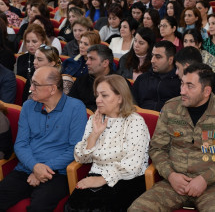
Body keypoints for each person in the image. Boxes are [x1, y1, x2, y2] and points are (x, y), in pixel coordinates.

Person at [128, 63, 215, 211]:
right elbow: (157, 149)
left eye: (190, 86)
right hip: (173, 184)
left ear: (206, 91)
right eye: (182, 84)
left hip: (211, 187)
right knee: (137, 209)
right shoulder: (171, 108)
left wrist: (205, 179)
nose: (182, 91)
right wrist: (171, 175)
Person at [0, 66, 87, 211]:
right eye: (31, 83)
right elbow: (21, 144)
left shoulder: (76, 108)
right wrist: (35, 167)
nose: (30, 88)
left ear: (52, 89)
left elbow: (74, 149)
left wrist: (42, 169)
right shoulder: (28, 106)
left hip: (58, 172)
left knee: (39, 206)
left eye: (36, 85)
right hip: (27, 167)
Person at [64, 75, 149, 211]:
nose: (98, 100)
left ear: (120, 98)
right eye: (97, 95)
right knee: (72, 207)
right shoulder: (95, 119)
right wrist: (94, 134)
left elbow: (134, 164)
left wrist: (102, 180)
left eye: (104, 95)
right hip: (96, 174)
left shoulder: (134, 121)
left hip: (127, 179)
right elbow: (81, 158)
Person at [132, 40, 180, 111]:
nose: (152, 60)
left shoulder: (180, 82)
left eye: (158, 57)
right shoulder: (142, 79)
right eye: (152, 56)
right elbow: (132, 105)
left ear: (170, 60)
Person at [69, 44, 117, 112]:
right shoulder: (81, 81)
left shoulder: (120, 83)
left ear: (105, 63)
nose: (87, 62)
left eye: (92, 59)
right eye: (87, 58)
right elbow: (70, 105)